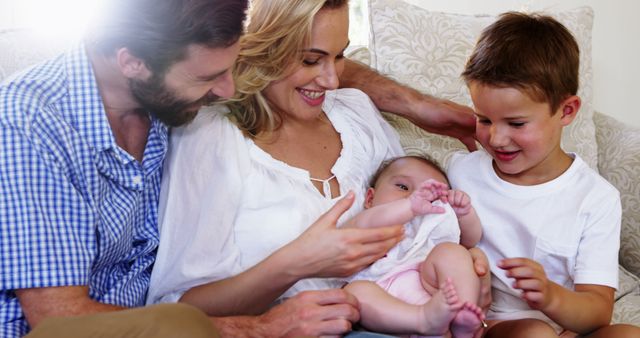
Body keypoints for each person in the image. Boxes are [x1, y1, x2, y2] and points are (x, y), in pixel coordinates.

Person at [0, 0, 481, 337]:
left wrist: (418, 106)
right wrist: (265, 325)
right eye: (209, 77)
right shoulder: (32, 124)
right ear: (133, 64)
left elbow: (296, 60)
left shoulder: (170, 97)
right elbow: (60, 321)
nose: (227, 90)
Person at [147, 0, 490, 337]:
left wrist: (464, 269)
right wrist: (297, 263)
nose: (331, 80)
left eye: (339, 56)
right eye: (311, 59)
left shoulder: (354, 112)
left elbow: (419, 225)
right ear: (265, 50)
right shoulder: (211, 138)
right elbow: (181, 309)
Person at [447, 12, 640, 337]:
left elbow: (597, 311)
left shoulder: (596, 198)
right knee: (535, 333)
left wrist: (551, 296)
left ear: (566, 111)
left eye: (516, 123)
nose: (495, 139)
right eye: (484, 120)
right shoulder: (460, 172)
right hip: (495, 325)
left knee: (629, 334)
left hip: (567, 325)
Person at [341, 156, 485, 337]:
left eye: (433, 195)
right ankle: (422, 320)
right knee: (354, 292)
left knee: (452, 251)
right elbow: (352, 231)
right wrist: (409, 206)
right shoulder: (370, 220)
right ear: (370, 198)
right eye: (403, 187)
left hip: (432, 286)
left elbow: (470, 240)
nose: (417, 195)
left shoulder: (431, 225)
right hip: (382, 295)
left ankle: (463, 314)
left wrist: (463, 214)